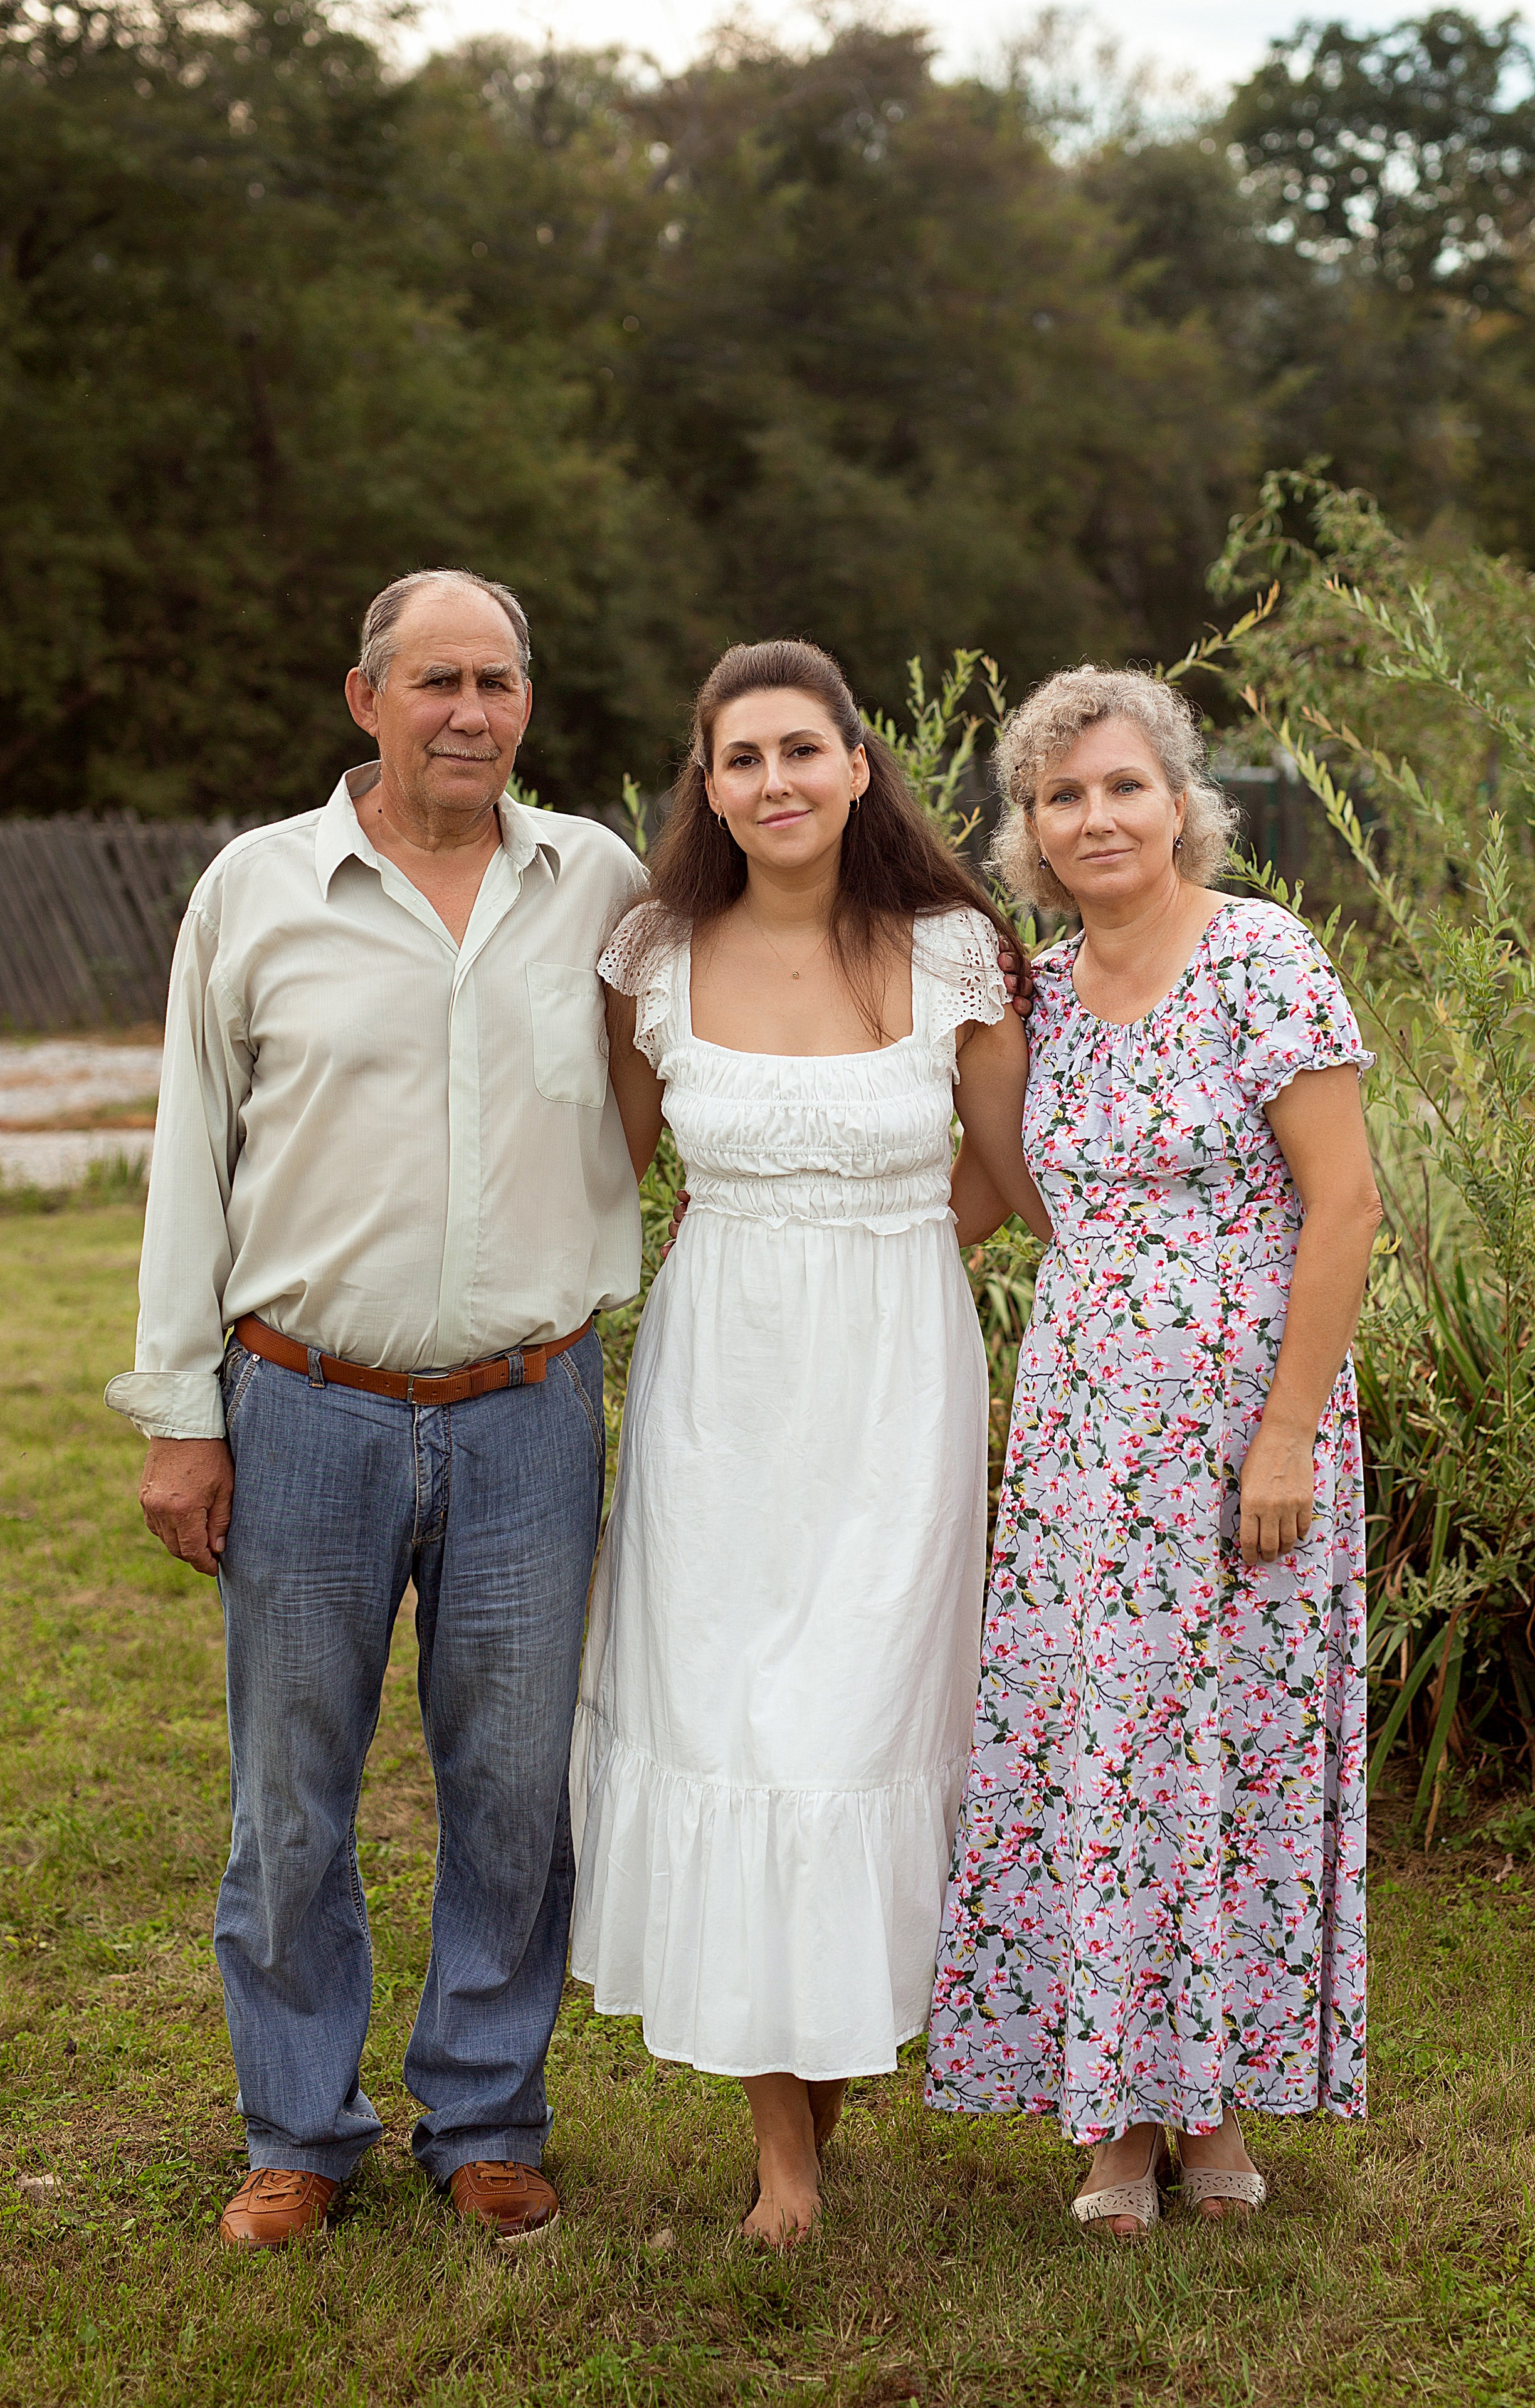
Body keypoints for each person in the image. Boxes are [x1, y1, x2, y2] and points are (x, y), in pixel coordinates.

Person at [106, 569, 648, 2248]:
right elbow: (191, 1159)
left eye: (496, 682)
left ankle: (486, 2114)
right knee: (291, 1788)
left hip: (526, 1411)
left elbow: (699, 1069)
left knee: (507, 1787)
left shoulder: (602, 887)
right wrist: (178, 1414)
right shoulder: (254, 891)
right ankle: (299, 2132)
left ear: (527, 709)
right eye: (436, 682)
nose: (469, 712)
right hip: (305, 1407)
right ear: (367, 700)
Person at [571, 638, 1050, 2248]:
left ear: (858, 764)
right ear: (705, 785)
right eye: (738, 759)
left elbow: (1013, 1175)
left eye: (800, 750)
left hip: (894, 1385)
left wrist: (893, 1248)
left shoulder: (956, 950)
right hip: (718, 1386)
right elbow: (609, 1180)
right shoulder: (652, 950)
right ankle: (788, 2161)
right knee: (736, 1728)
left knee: (848, 1730)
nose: (772, 782)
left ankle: (813, 2112)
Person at [925, 667, 1381, 2234]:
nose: (1095, 816)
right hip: (1077, 1445)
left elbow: (1346, 1205)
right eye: (1061, 796)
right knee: (1096, 1754)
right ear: (1028, 831)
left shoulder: (1260, 955)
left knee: (1229, 1756)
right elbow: (998, 1201)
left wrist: (1280, 1437)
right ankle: (1111, 2116)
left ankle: (1216, 2109)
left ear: (1178, 800)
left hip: (1245, 1440)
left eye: (1123, 785)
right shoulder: (1035, 994)